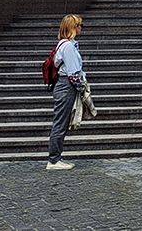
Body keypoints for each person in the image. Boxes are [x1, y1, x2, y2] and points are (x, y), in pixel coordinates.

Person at [47, 14, 84, 171]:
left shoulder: (66, 44)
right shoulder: (68, 46)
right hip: (65, 85)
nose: (81, 28)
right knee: (60, 122)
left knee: (61, 122)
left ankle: (56, 157)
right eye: (79, 25)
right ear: (72, 28)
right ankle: (54, 160)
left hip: (64, 85)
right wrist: (81, 87)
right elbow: (73, 71)